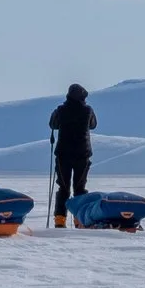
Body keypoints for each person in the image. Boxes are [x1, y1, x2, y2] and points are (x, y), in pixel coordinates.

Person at [49, 83, 96, 226]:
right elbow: (93, 125)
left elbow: (52, 124)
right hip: (82, 154)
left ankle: (60, 219)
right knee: (80, 188)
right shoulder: (88, 110)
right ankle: (79, 219)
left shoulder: (61, 110)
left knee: (63, 187)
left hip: (63, 155)